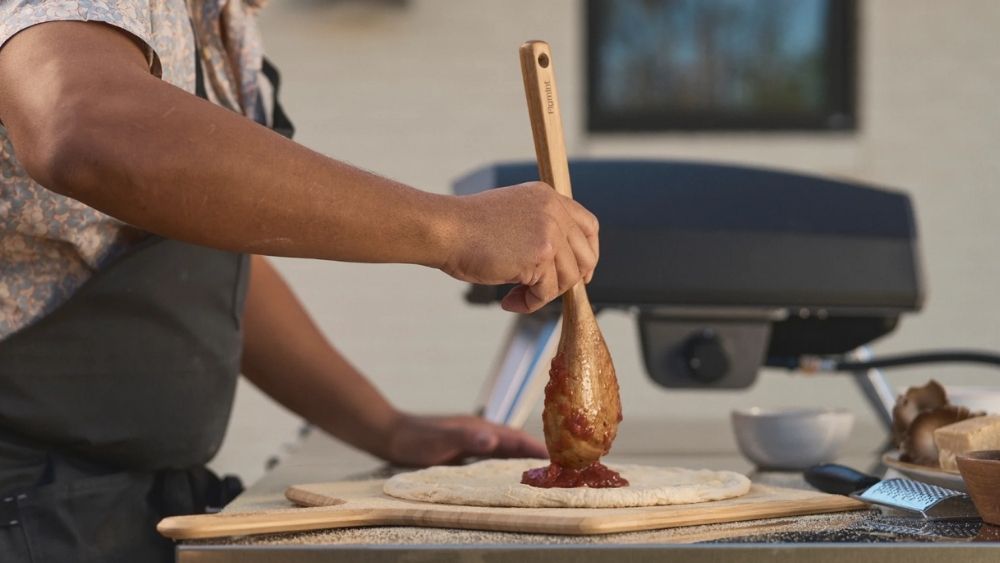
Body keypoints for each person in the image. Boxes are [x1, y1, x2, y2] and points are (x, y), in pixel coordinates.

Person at [0, 1, 600, 560]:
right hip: (23, 506)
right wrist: (452, 228)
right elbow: (83, 125)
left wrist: (383, 426)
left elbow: (193, 266)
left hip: (117, 507)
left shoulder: (220, 19)